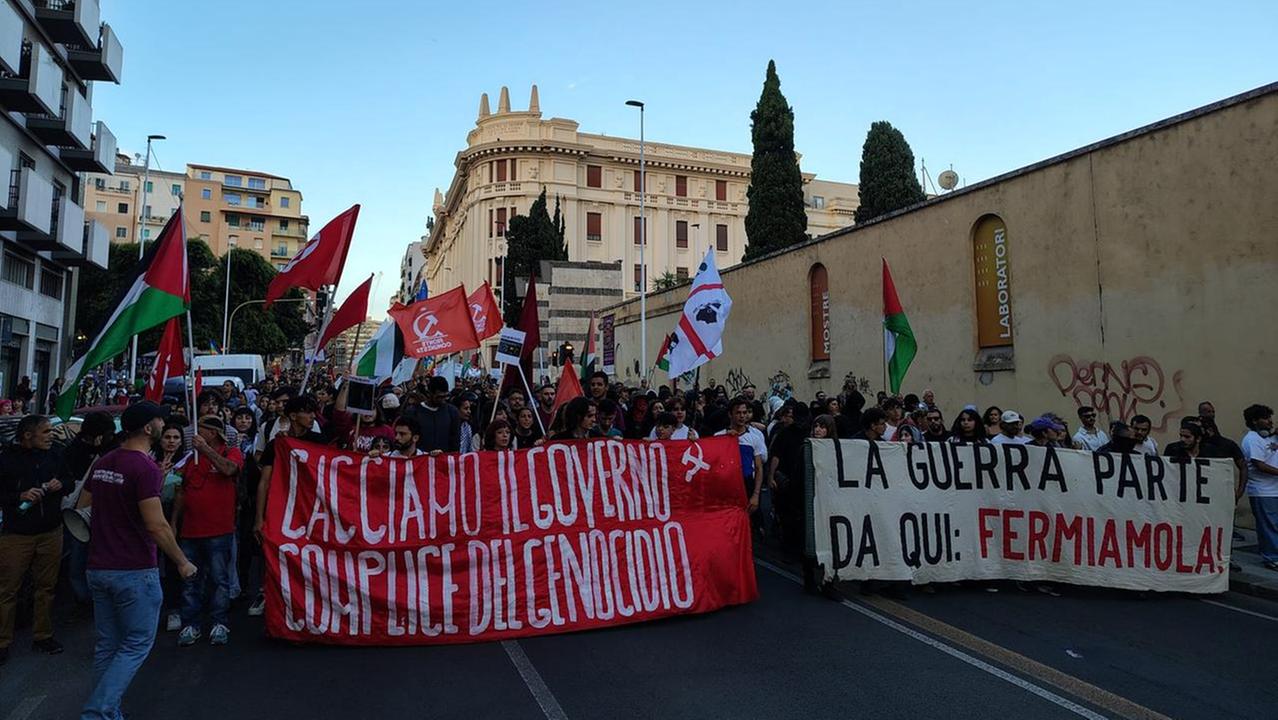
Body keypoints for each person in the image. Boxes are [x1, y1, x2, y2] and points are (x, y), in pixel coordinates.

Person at [76, 401, 198, 719]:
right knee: (136, 644)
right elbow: (156, 524)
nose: (164, 426)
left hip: (99, 566)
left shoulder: (104, 461)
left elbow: (84, 506)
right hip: (133, 569)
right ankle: (97, 712)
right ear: (148, 428)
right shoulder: (144, 468)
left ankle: (108, 712)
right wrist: (182, 562)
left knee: (108, 645)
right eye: (160, 421)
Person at [0, 415, 72, 664]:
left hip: (50, 531)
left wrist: (59, 484)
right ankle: (2, 641)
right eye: (45, 432)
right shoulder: (7, 459)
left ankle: (42, 635)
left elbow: (69, 481)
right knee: (8, 589)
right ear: (28, 435)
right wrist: (18, 495)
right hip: (17, 534)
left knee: (47, 587)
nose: (51, 436)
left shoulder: (55, 455)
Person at [172, 416, 243, 647]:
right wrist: (174, 522)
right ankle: (190, 625)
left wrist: (205, 451)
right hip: (190, 531)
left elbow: (229, 469)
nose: (194, 434)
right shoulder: (188, 459)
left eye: (200, 430)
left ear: (212, 433)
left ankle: (219, 622)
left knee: (218, 579)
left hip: (219, 530)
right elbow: (181, 491)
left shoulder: (230, 452)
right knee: (190, 581)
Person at [253, 397, 325, 543]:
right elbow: (264, 482)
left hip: (311, 510)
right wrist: (259, 518)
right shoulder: (277, 445)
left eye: (313, 412)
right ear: (293, 416)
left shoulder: (319, 442)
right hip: (282, 509)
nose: (313, 417)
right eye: (308, 412)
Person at [716, 398, 768, 517]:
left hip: (747, 485)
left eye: (744, 412)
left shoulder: (754, 438)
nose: (742, 416)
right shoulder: (719, 436)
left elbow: (759, 468)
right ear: (730, 414)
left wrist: (755, 495)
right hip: (727, 487)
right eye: (738, 413)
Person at [1241, 404, 1278, 570]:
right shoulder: (1251, 439)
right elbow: (1259, 465)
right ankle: (1272, 557)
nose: (1270, 421)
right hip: (1262, 491)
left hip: (1274, 489)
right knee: (1269, 525)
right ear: (1255, 421)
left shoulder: (1270, 438)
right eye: (1265, 418)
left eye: (1270, 418)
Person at [403, 376, 460, 455]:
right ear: (429, 393)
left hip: (444, 461)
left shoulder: (452, 412)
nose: (443, 400)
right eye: (439, 397)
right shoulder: (413, 412)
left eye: (445, 396)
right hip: (420, 461)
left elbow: (455, 441)